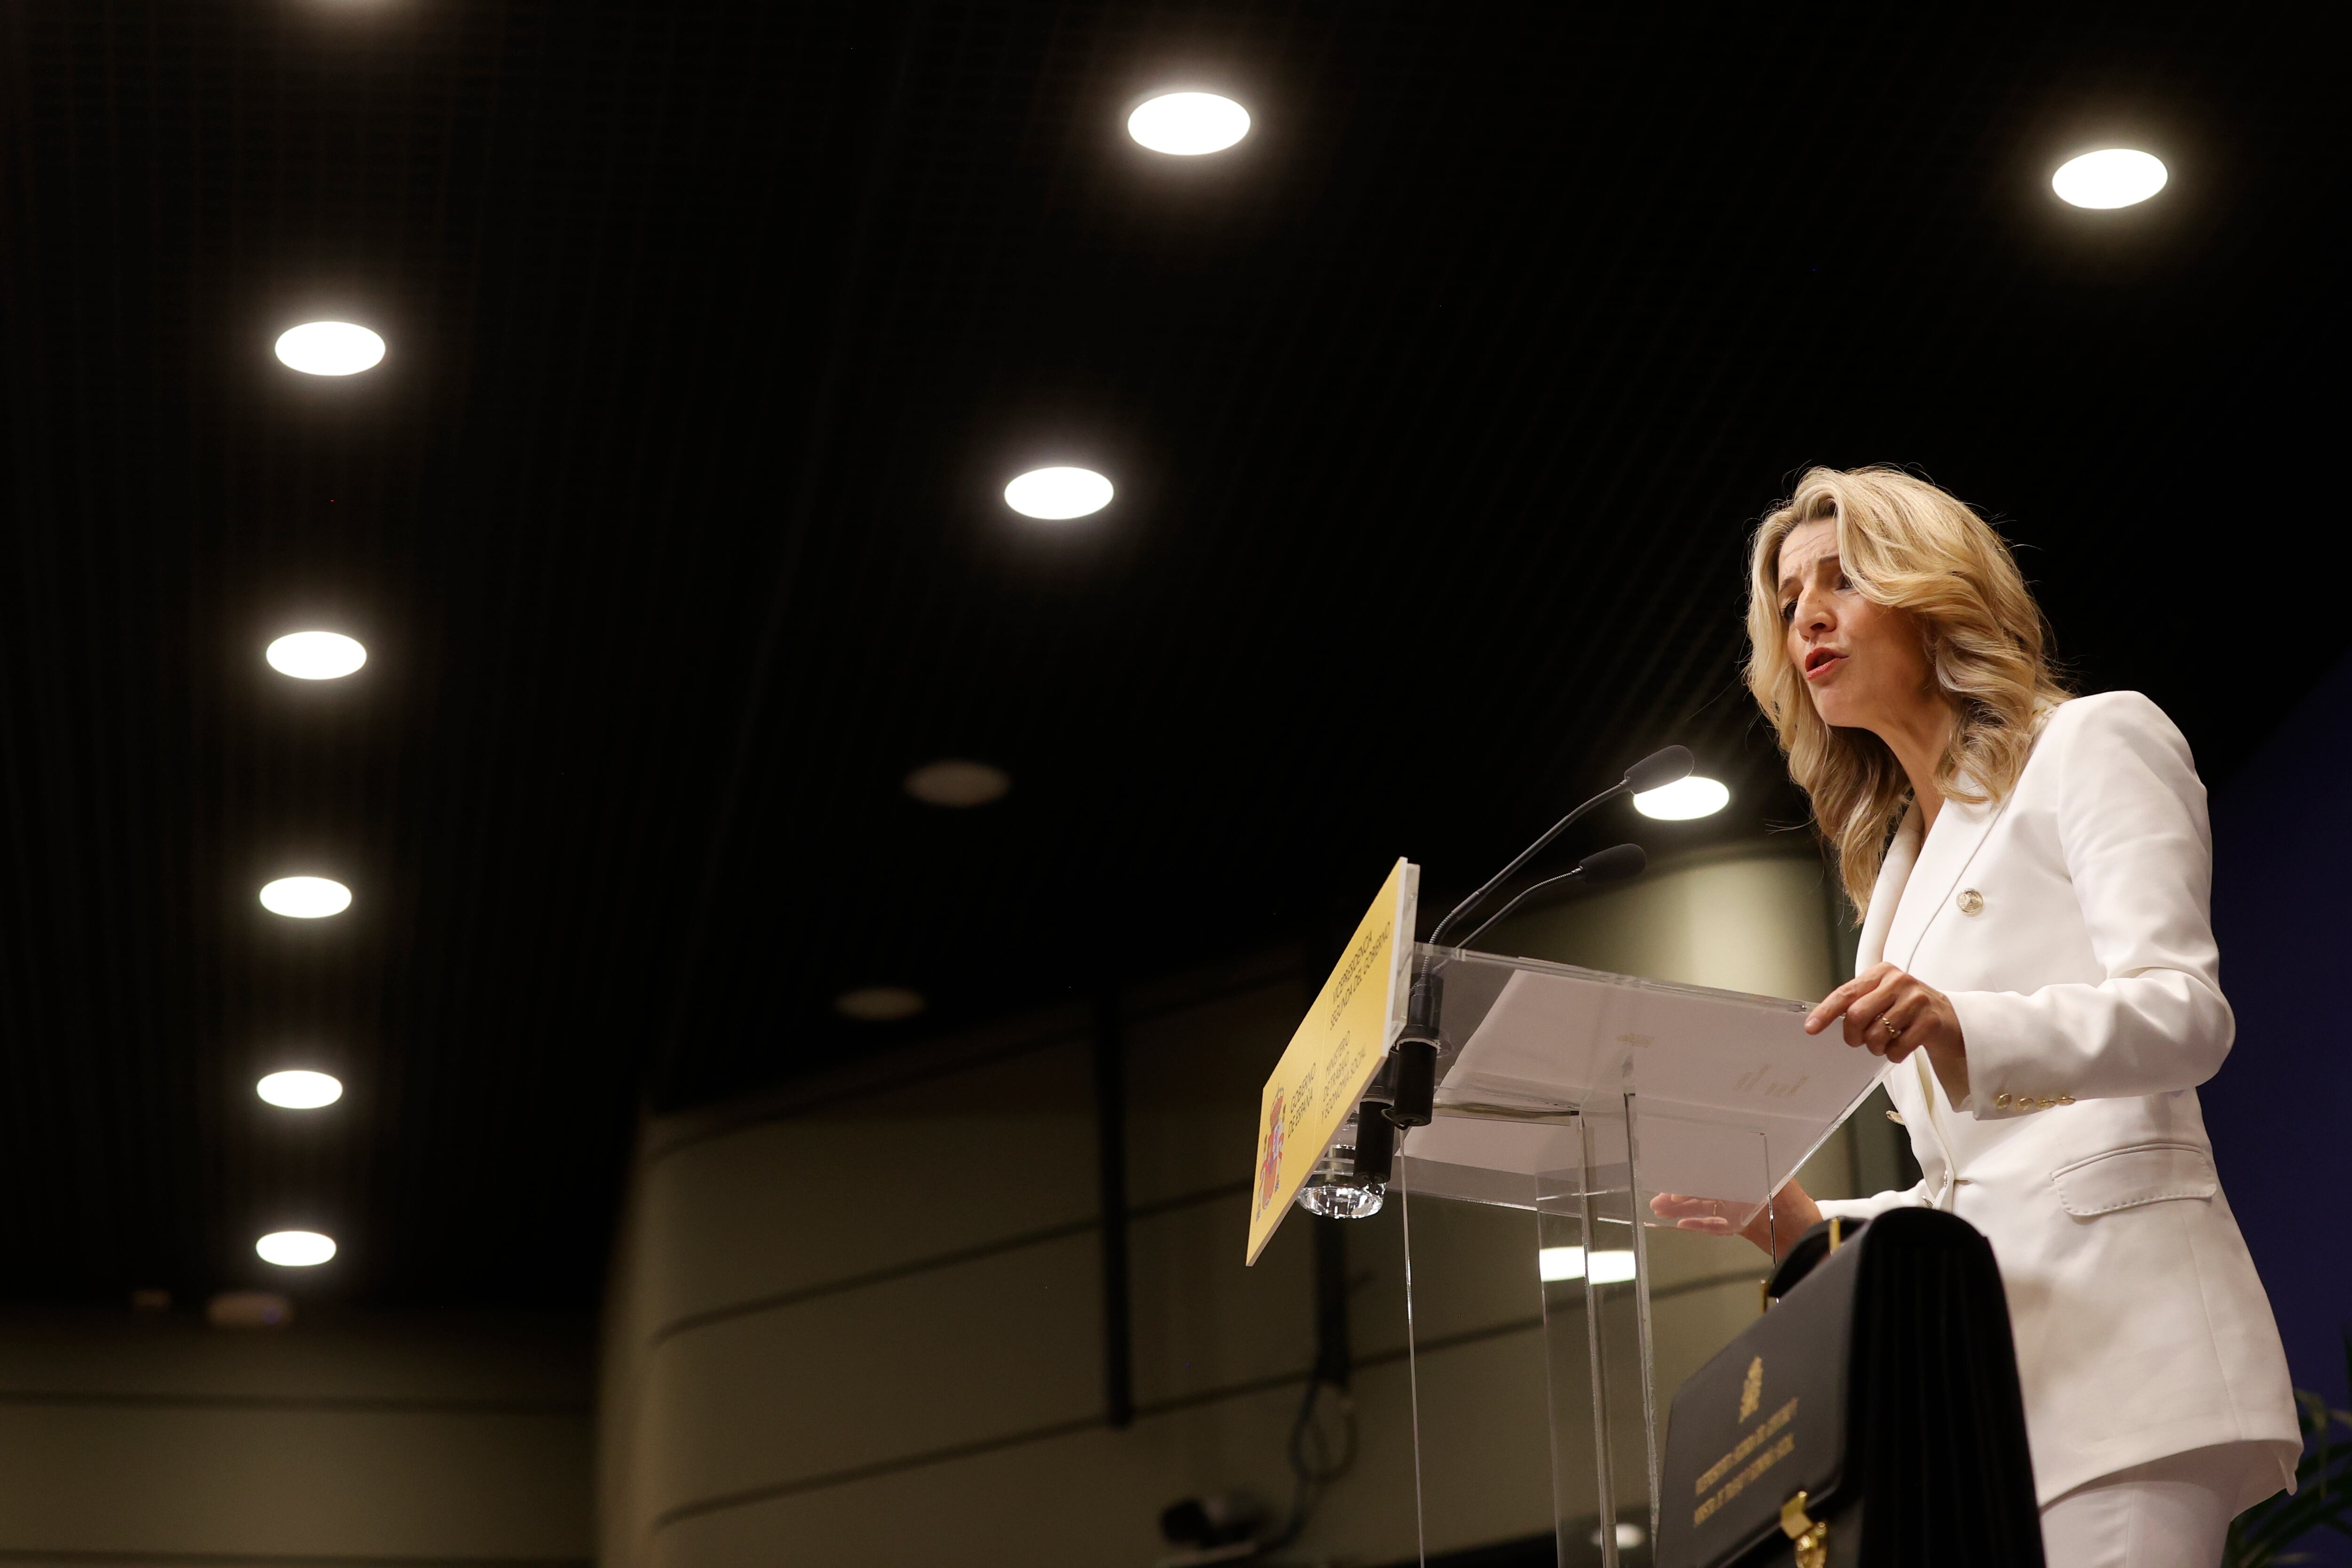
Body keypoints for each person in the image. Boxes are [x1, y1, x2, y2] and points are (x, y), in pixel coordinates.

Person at [1655, 467, 2298, 1567]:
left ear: (1933, 592)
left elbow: (2186, 1015)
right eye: (1787, 596)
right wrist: (1808, 1224)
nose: (1806, 612)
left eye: (1842, 579)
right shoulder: (1892, 882)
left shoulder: (2093, 742)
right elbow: (1963, 1182)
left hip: (2128, 1357)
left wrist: (1966, 1026)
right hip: (1989, 1398)